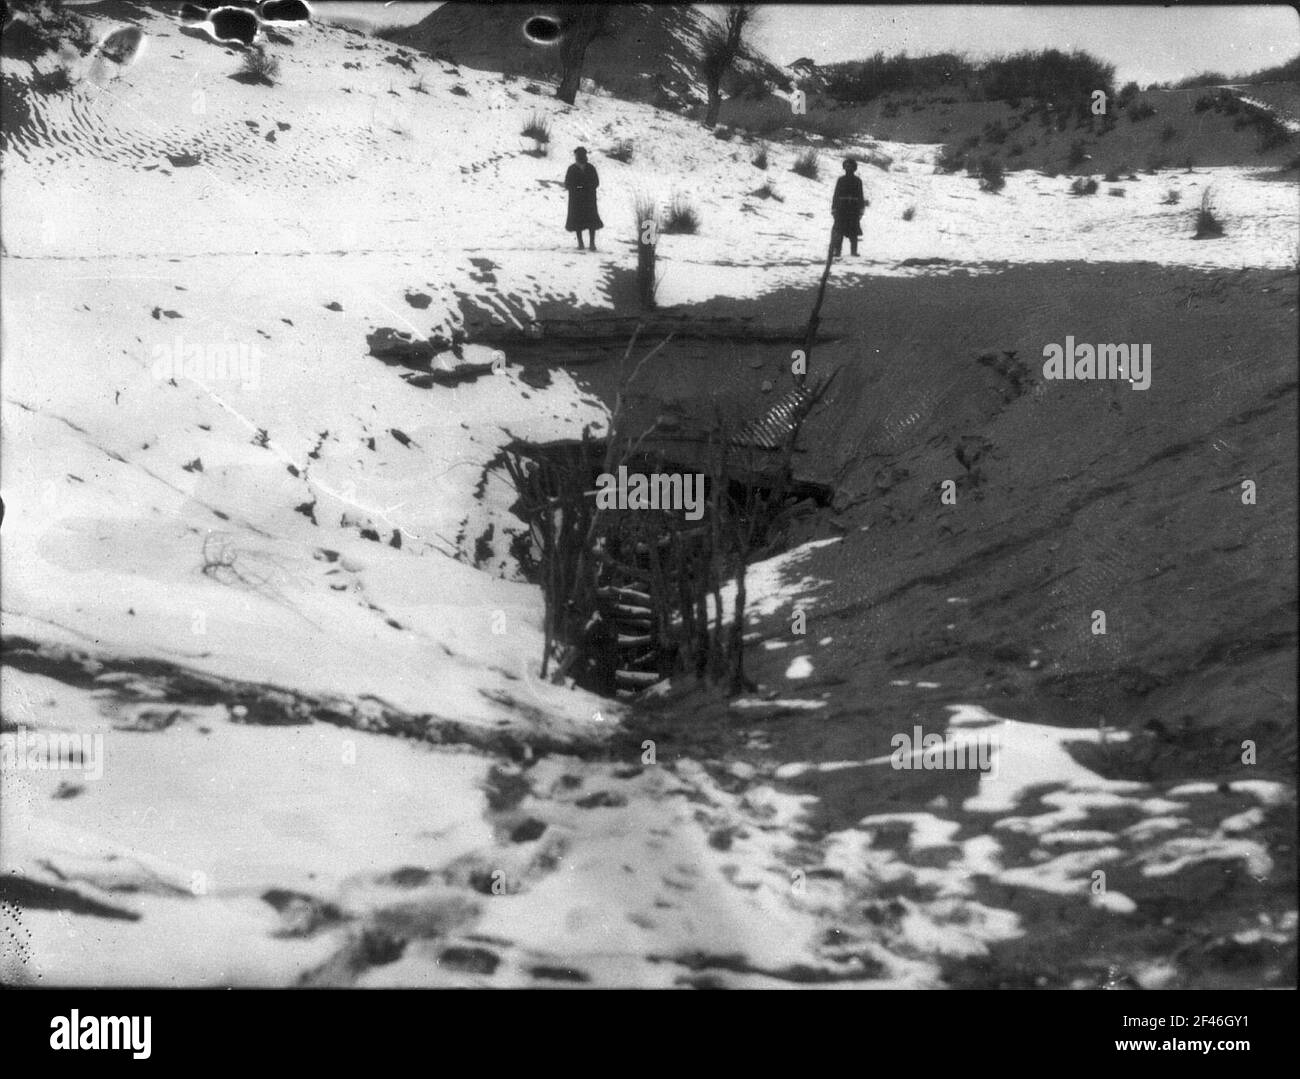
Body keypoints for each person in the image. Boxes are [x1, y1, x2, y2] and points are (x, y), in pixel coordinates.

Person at [565, 147, 603, 251]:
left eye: (582, 155)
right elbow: (568, 184)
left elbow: (596, 182)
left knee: (592, 222)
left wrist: (585, 188)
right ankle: (580, 243)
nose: (581, 157)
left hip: (589, 199)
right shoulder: (572, 169)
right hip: (576, 200)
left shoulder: (591, 168)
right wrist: (580, 188)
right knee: (577, 222)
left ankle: (592, 244)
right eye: (579, 155)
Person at [831, 158, 867, 258]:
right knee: (839, 230)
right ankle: (837, 251)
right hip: (841, 208)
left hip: (853, 209)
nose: (848, 168)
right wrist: (834, 208)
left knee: (853, 231)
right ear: (844, 167)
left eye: (850, 166)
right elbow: (836, 194)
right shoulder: (840, 180)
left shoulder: (858, 181)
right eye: (846, 166)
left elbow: (860, 195)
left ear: (854, 168)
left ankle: (854, 251)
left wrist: (861, 209)